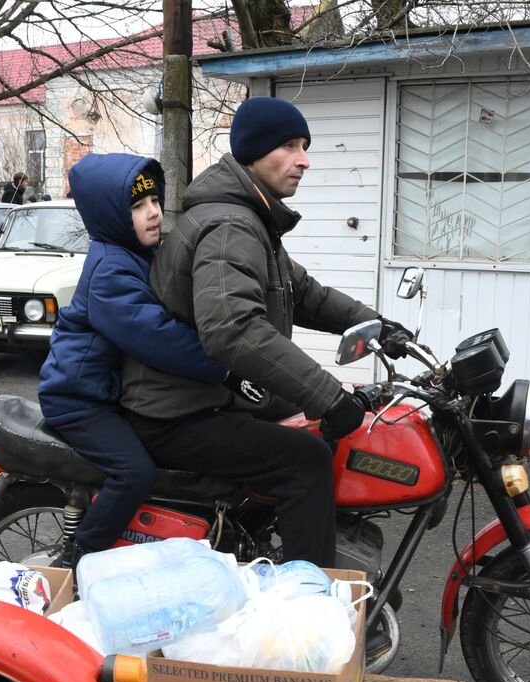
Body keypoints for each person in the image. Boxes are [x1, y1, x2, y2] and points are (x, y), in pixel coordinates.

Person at [121, 97, 414, 566]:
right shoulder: (229, 223)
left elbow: (303, 293)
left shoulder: (251, 218)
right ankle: (306, 603)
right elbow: (233, 329)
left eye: (305, 146)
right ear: (255, 152)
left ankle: (256, 540)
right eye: (290, 146)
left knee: (303, 420)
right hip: (176, 411)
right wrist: (330, 397)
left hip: (204, 395)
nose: (305, 159)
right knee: (306, 459)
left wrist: (377, 323)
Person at [38, 154, 233, 567]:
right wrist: (222, 362)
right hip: (77, 400)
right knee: (135, 474)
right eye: (137, 207)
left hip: (102, 393)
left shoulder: (133, 254)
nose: (153, 213)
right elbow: (155, 336)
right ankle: (78, 556)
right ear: (110, 214)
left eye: (155, 202)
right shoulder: (110, 269)